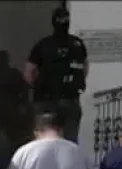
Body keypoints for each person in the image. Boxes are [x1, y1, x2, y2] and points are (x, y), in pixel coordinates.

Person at [25, 7, 89, 143]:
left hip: (46, 100)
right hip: (71, 99)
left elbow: (29, 72)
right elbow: (84, 68)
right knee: (70, 141)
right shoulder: (77, 44)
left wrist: (35, 85)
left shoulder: (43, 45)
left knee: (43, 140)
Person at [0, 51, 31, 159]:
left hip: (7, 111)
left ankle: (2, 157)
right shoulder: (12, 74)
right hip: (5, 110)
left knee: (10, 138)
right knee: (5, 139)